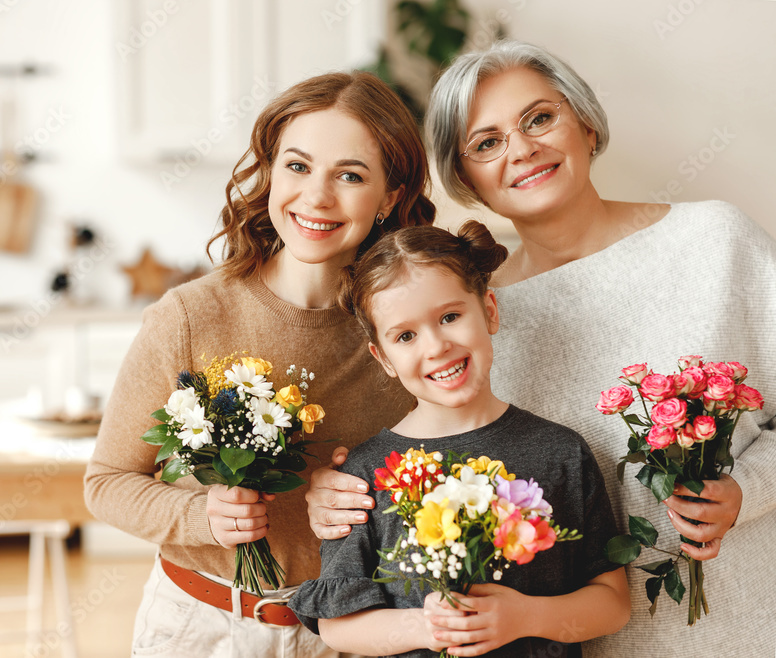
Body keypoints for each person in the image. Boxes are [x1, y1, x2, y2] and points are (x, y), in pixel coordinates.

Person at [305, 40, 776, 655]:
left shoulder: (717, 243)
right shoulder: (468, 316)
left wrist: (748, 491)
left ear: (584, 121)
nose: (522, 150)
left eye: (539, 119)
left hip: (734, 629)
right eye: (486, 143)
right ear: (466, 177)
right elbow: (404, 449)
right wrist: (328, 491)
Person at [84, 70, 435, 656]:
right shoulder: (190, 316)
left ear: (391, 197)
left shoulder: (407, 330)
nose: (317, 197)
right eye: (297, 167)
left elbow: (445, 475)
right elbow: (106, 483)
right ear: (271, 172)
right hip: (199, 627)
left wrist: (363, 500)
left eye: (350, 176)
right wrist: (205, 516)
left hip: (349, 633)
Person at [289, 222, 630, 657]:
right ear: (383, 357)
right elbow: (338, 626)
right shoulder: (364, 475)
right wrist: (431, 626)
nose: (435, 347)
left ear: (489, 310)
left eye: (450, 317)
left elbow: (613, 604)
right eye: (405, 336)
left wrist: (524, 617)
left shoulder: (561, 450)